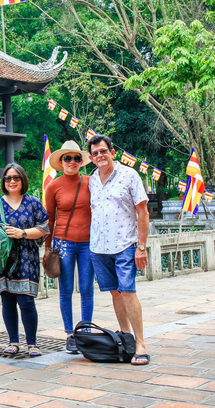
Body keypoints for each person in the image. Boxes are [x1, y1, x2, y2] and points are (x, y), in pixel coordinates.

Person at [87, 134, 150, 366]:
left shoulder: (129, 175)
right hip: (99, 246)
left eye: (103, 151)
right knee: (114, 291)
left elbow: (143, 212)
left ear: (112, 152)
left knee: (128, 291)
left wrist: (141, 247)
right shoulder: (93, 179)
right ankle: (126, 338)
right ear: (92, 158)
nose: (100, 156)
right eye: (95, 153)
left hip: (125, 244)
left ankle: (141, 342)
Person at [0, 164, 49, 357]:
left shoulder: (33, 203)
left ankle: (32, 343)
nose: (12, 181)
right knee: (7, 301)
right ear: (3, 181)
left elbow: (44, 227)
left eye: (16, 178)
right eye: (8, 178)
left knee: (26, 301)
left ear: (22, 180)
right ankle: (13, 341)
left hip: (27, 259)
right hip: (2, 260)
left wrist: (23, 233)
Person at [44, 141, 94, 354]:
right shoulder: (53, 186)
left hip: (88, 243)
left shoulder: (91, 182)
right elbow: (50, 218)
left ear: (82, 162)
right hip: (62, 243)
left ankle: (86, 331)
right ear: (61, 162)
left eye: (76, 158)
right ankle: (69, 334)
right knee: (65, 289)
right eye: (68, 158)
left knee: (86, 288)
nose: (72, 162)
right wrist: (47, 247)